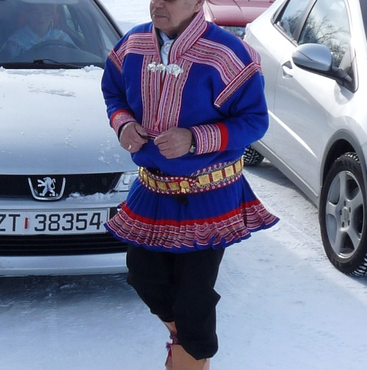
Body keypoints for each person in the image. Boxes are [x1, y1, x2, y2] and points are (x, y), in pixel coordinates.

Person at [100, 0, 279, 368]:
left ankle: (188, 356)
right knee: (143, 276)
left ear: (198, 2)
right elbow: (113, 91)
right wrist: (123, 124)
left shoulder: (230, 53)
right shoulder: (132, 45)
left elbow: (255, 122)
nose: (158, 4)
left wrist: (196, 139)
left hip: (211, 196)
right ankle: (186, 340)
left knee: (193, 299)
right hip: (153, 192)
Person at [0, 2, 75, 59]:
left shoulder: (62, 38)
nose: (42, 18)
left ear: (53, 16)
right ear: (27, 15)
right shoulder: (14, 43)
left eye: (47, 12)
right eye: (36, 12)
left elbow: (76, 57)